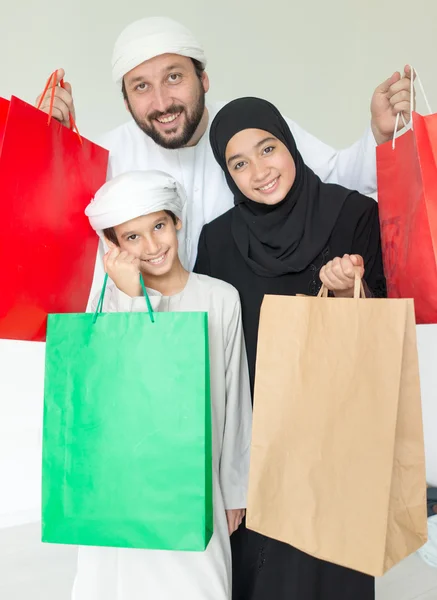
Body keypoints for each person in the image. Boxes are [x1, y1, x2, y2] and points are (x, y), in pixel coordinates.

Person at [36, 16, 413, 275]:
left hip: (243, 342)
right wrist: (47, 149)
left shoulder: (248, 133)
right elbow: (46, 238)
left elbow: (340, 180)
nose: (162, 102)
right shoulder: (106, 154)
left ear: (203, 79)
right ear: (125, 101)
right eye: (141, 86)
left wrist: (379, 134)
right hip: (145, 347)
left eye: (173, 77)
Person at [193, 96, 387, 600]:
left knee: (331, 574)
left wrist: (348, 292)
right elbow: (208, 349)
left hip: (333, 443)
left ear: (290, 144)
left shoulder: (353, 214)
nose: (259, 171)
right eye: (239, 163)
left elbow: (386, 328)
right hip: (253, 446)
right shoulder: (217, 241)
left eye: (268, 149)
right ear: (227, 173)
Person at [75, 170, 253, 600]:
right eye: (132, 237)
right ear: (114, 247)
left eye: (157, 226)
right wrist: (134, 299)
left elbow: (234, 401)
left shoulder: (220, 296)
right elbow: (116, 399)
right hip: (120, 488)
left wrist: (234, 486)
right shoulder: (106, 305)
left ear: (176, 222)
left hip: (194, 484)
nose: (152, 246)